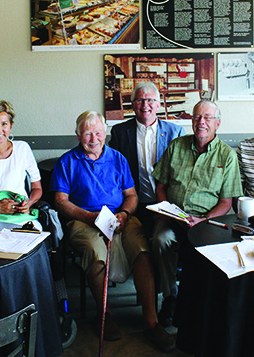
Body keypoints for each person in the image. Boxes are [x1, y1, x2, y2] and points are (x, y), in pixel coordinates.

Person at [51, 111, 175, 351]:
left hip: (120, 218)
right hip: (83, 220)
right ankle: (104, 316)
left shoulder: (118, 158)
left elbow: (131, 196)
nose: (93, 138)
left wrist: (125, 215)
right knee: (95, 252)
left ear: (105, 133)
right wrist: (89, 217)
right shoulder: (67, 161)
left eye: (98, 132)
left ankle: (151, 322)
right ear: (78, 135)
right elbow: (60, 201)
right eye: (87, 133)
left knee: (142, 251)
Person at [151, 100, 242, 325]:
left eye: (207, 118)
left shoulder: (227, 156)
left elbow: (226, 202)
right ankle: (170, 297)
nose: (201, 122)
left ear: (217, 123)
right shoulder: (176, 146)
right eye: (196, 117)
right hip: (173, 218)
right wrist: (165, 209)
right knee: (160, 240)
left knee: (211, 251)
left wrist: (204, 220)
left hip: (207, 222)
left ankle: (201, 304)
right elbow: (160, 185)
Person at [109, 81, 185, 235]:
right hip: (132, 204)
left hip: (165, 204)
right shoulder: (120, 132)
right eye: (140, 100)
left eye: (150, 100)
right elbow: (114, 170)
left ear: (158, 105)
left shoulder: (175, 133)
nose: (145, 105)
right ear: (133, 104)